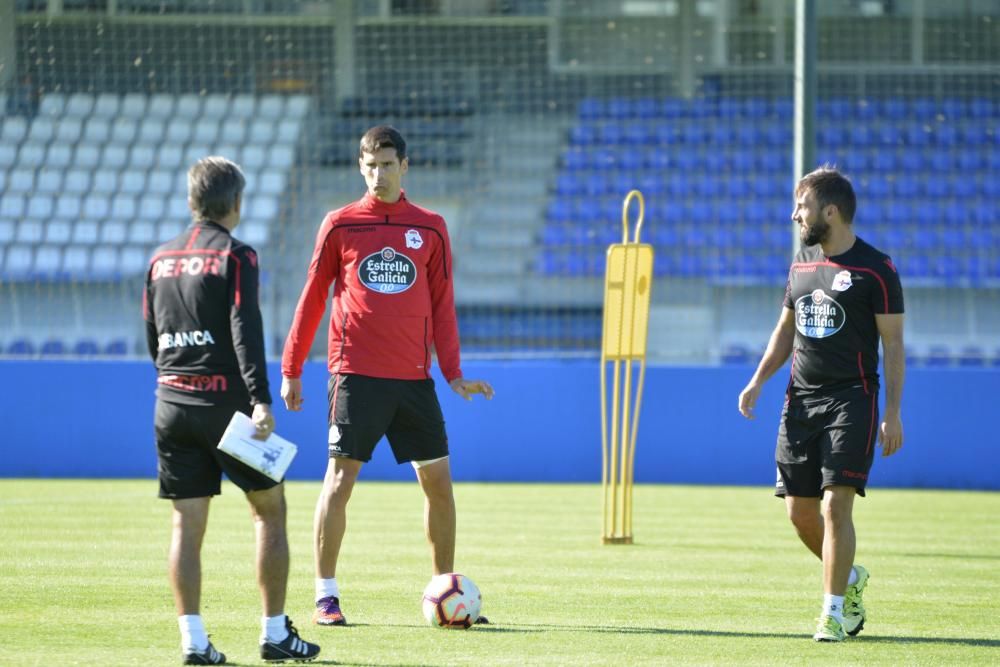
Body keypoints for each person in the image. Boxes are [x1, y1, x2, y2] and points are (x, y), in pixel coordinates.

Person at [280, 126, 494, 627]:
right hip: (355, 375)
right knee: (339, 482)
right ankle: (326, 597)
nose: (379, 174)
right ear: (360, 167)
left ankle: (447, 590)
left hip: (414, 381)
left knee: (439, 486)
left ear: (405, 166)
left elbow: (443, 305)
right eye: (370, 165)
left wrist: (453, 373)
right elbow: (313, 299)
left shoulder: (432, 228)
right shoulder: (340, 225)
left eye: (388, 164)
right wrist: (292, 369)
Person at [144, 156, 321, 664]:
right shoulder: (237, 256)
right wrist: (260, 400)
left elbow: (152, 339)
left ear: (191, 201)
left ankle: (194, 643)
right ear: (237, 204)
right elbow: (246, 328)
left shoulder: (161, 259)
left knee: (186, 526)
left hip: (171, 402)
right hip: (226, 407)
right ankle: (274, 633)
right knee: (269, 509)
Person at [737, 166, 905, 642]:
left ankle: (832, 612)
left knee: (836, 507)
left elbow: (893, 344)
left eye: (802, 206)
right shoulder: (802, 262)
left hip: (852, 398)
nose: (795, 215)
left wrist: (892, 412)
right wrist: (757, 381)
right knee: (799, 512)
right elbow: (784, 331)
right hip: (799, 402)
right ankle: (849, 580)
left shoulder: (877, 268)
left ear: (830, 211)